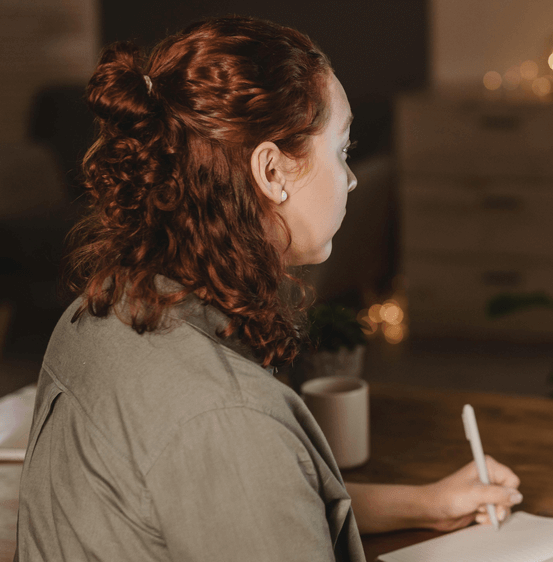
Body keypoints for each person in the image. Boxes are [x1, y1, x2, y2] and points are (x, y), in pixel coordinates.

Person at [14, 16, 522, 562]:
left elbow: (233, 498)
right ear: (272, 172)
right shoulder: (231, 416)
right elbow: (239, 460)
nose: (349, 179)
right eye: (342, 150)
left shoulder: (100, 309)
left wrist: (427, 503)